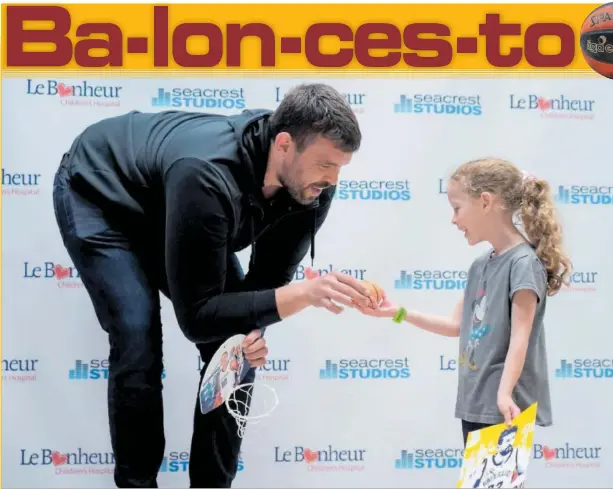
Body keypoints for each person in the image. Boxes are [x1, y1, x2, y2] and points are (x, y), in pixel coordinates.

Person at [52, 83, 375, 488]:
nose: (332, 179)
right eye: (325, 164)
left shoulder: (312, 188)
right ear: (284, 144)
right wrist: (303, 295)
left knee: (237, 348)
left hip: (172, 200)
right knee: (137, 335)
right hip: (102, 191)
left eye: (341, 167)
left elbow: (267, 282)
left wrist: (252, 333)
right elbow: (199, 318)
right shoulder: (207, 174)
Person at [357, 158, 572, 447]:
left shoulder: (523, 264)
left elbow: (521, 339)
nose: (453, 219)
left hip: (504, 408)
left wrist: (505, 393)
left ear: (485, 202)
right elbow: (455, 325)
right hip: (477, 401)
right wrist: (397, 313)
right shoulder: (480, 265)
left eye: (457, 208)